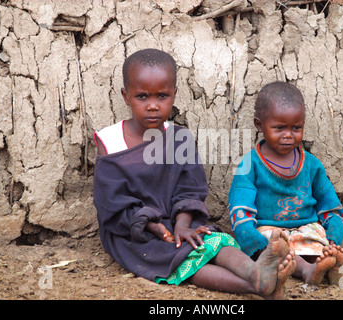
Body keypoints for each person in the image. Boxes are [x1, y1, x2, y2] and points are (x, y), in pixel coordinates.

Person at [92, 48, 295, 299]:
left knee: (211, 241)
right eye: (142, 96)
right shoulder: (109, 142)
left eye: (162, 96)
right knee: (180, 258)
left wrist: (183, 224)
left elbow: (190, 190)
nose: (153, 106)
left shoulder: (179, 138)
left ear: (174, 95)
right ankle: (257, 285)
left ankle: (255, 271)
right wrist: (154, 226)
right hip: (133, 232)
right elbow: (111, 203)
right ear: (126, 96)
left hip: (179, 220)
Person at [228, 81, 343, 285]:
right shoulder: (250, 165)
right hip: (269, 231)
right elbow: (240, 208)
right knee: (273, 249)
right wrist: (252, 239)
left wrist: (333, 237)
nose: (288, 136)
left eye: (296, 128)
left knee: (316, 242)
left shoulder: (311, 165)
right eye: (279, 128)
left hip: (306, 228)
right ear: (259, 125)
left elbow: (330, 204)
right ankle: (309, 270)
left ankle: (325, 262)